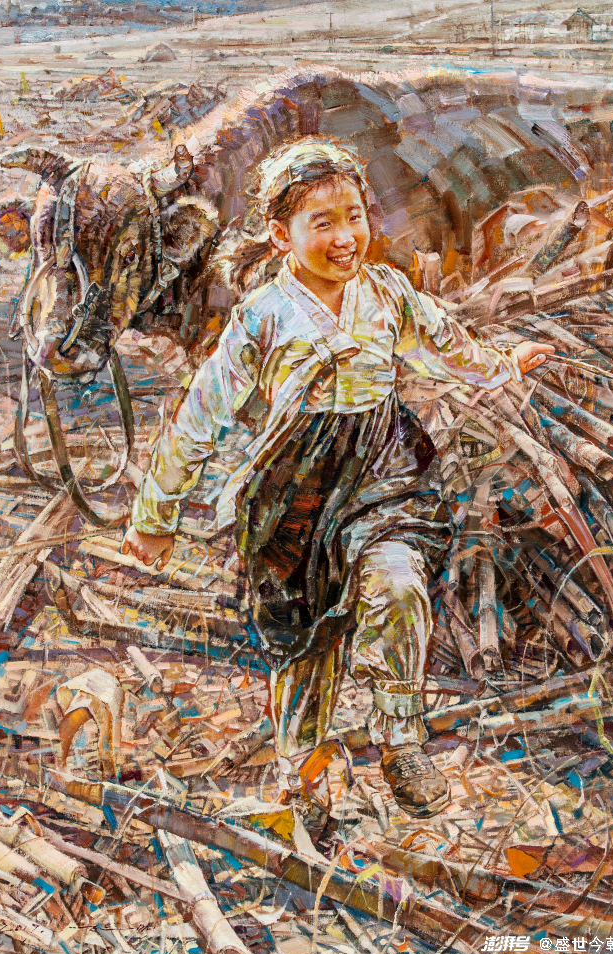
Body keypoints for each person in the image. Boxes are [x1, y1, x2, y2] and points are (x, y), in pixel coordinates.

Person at [121, 139, 553, 819]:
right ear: (280, 234)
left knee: (398, 584)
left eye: (354, 216)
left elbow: (448, 347)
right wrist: (155, 515)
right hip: (295, 491)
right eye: (321, 223)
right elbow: (199, 415)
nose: (345, 236)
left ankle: (400, 740)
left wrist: (505, 363)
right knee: (303, 639)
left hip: (383, 469)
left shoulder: (387, 293)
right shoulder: (263, 315)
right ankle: (302, 774)